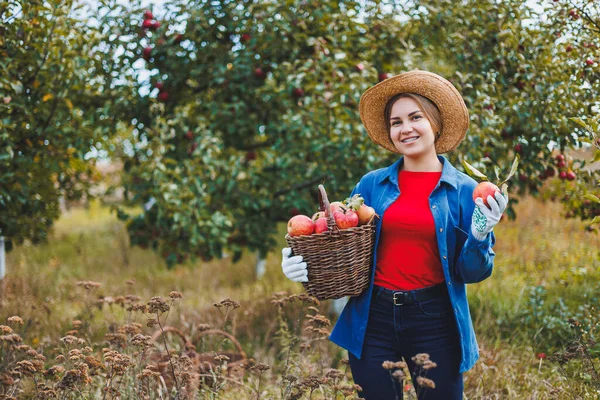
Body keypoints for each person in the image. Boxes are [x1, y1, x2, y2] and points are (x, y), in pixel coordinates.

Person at [281, 70, 508, 399]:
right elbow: (338, 239)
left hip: (435, 319)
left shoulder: (465, 191)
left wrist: (479, 235)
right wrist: (301, 259)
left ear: (435, 123)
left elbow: (473, 273)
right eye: (396, 122)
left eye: (415, 117)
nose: (406, 128)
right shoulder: (372, 185)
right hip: (373, 318)